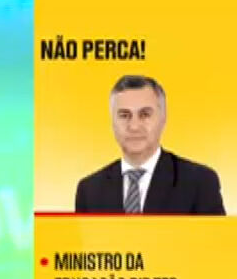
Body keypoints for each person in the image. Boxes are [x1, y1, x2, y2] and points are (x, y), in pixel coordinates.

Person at [75, 75, 224, 214]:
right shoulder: (89, 191)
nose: (134, 126)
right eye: (124, 115)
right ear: (112, 122)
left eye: (145, 114)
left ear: (163, 118)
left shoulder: (200, 183)